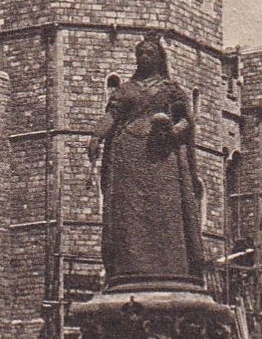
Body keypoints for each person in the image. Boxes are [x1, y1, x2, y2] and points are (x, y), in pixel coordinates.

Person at [84, 32, 203, 290]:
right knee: (130, 213)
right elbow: (112, 117)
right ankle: (130, 267)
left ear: (159, 58)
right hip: (128, 156)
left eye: (149, 54)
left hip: (162, 154)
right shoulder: (126, 90)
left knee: (166, 209)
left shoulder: (171, 90)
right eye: (140, 54)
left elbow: (186, 120)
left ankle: (172, 267)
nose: (144, 58)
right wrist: (96, 137)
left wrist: (173, 132)